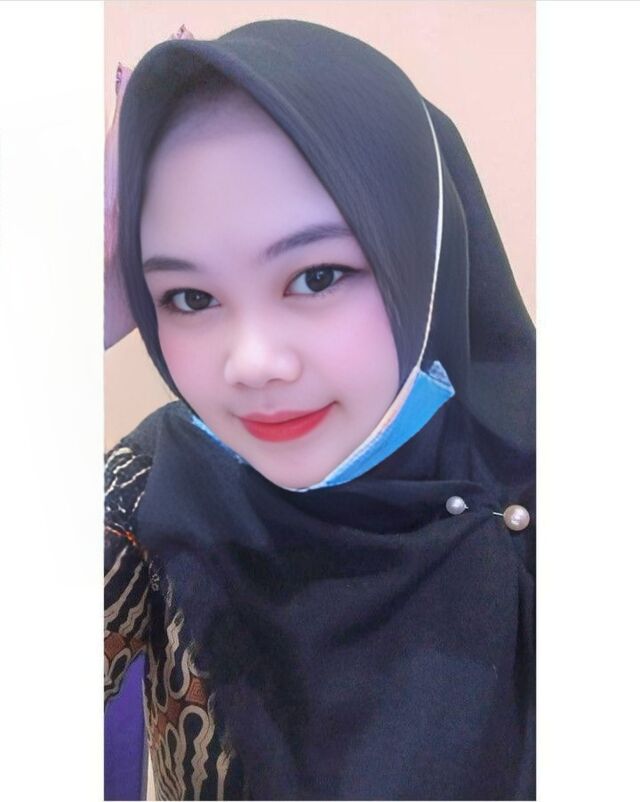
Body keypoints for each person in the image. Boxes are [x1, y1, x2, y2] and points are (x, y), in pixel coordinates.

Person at [104, 18, 535, 801]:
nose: (252, 363)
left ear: (425, 260)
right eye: (189, 297)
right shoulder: (147, 489)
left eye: (317, 277)